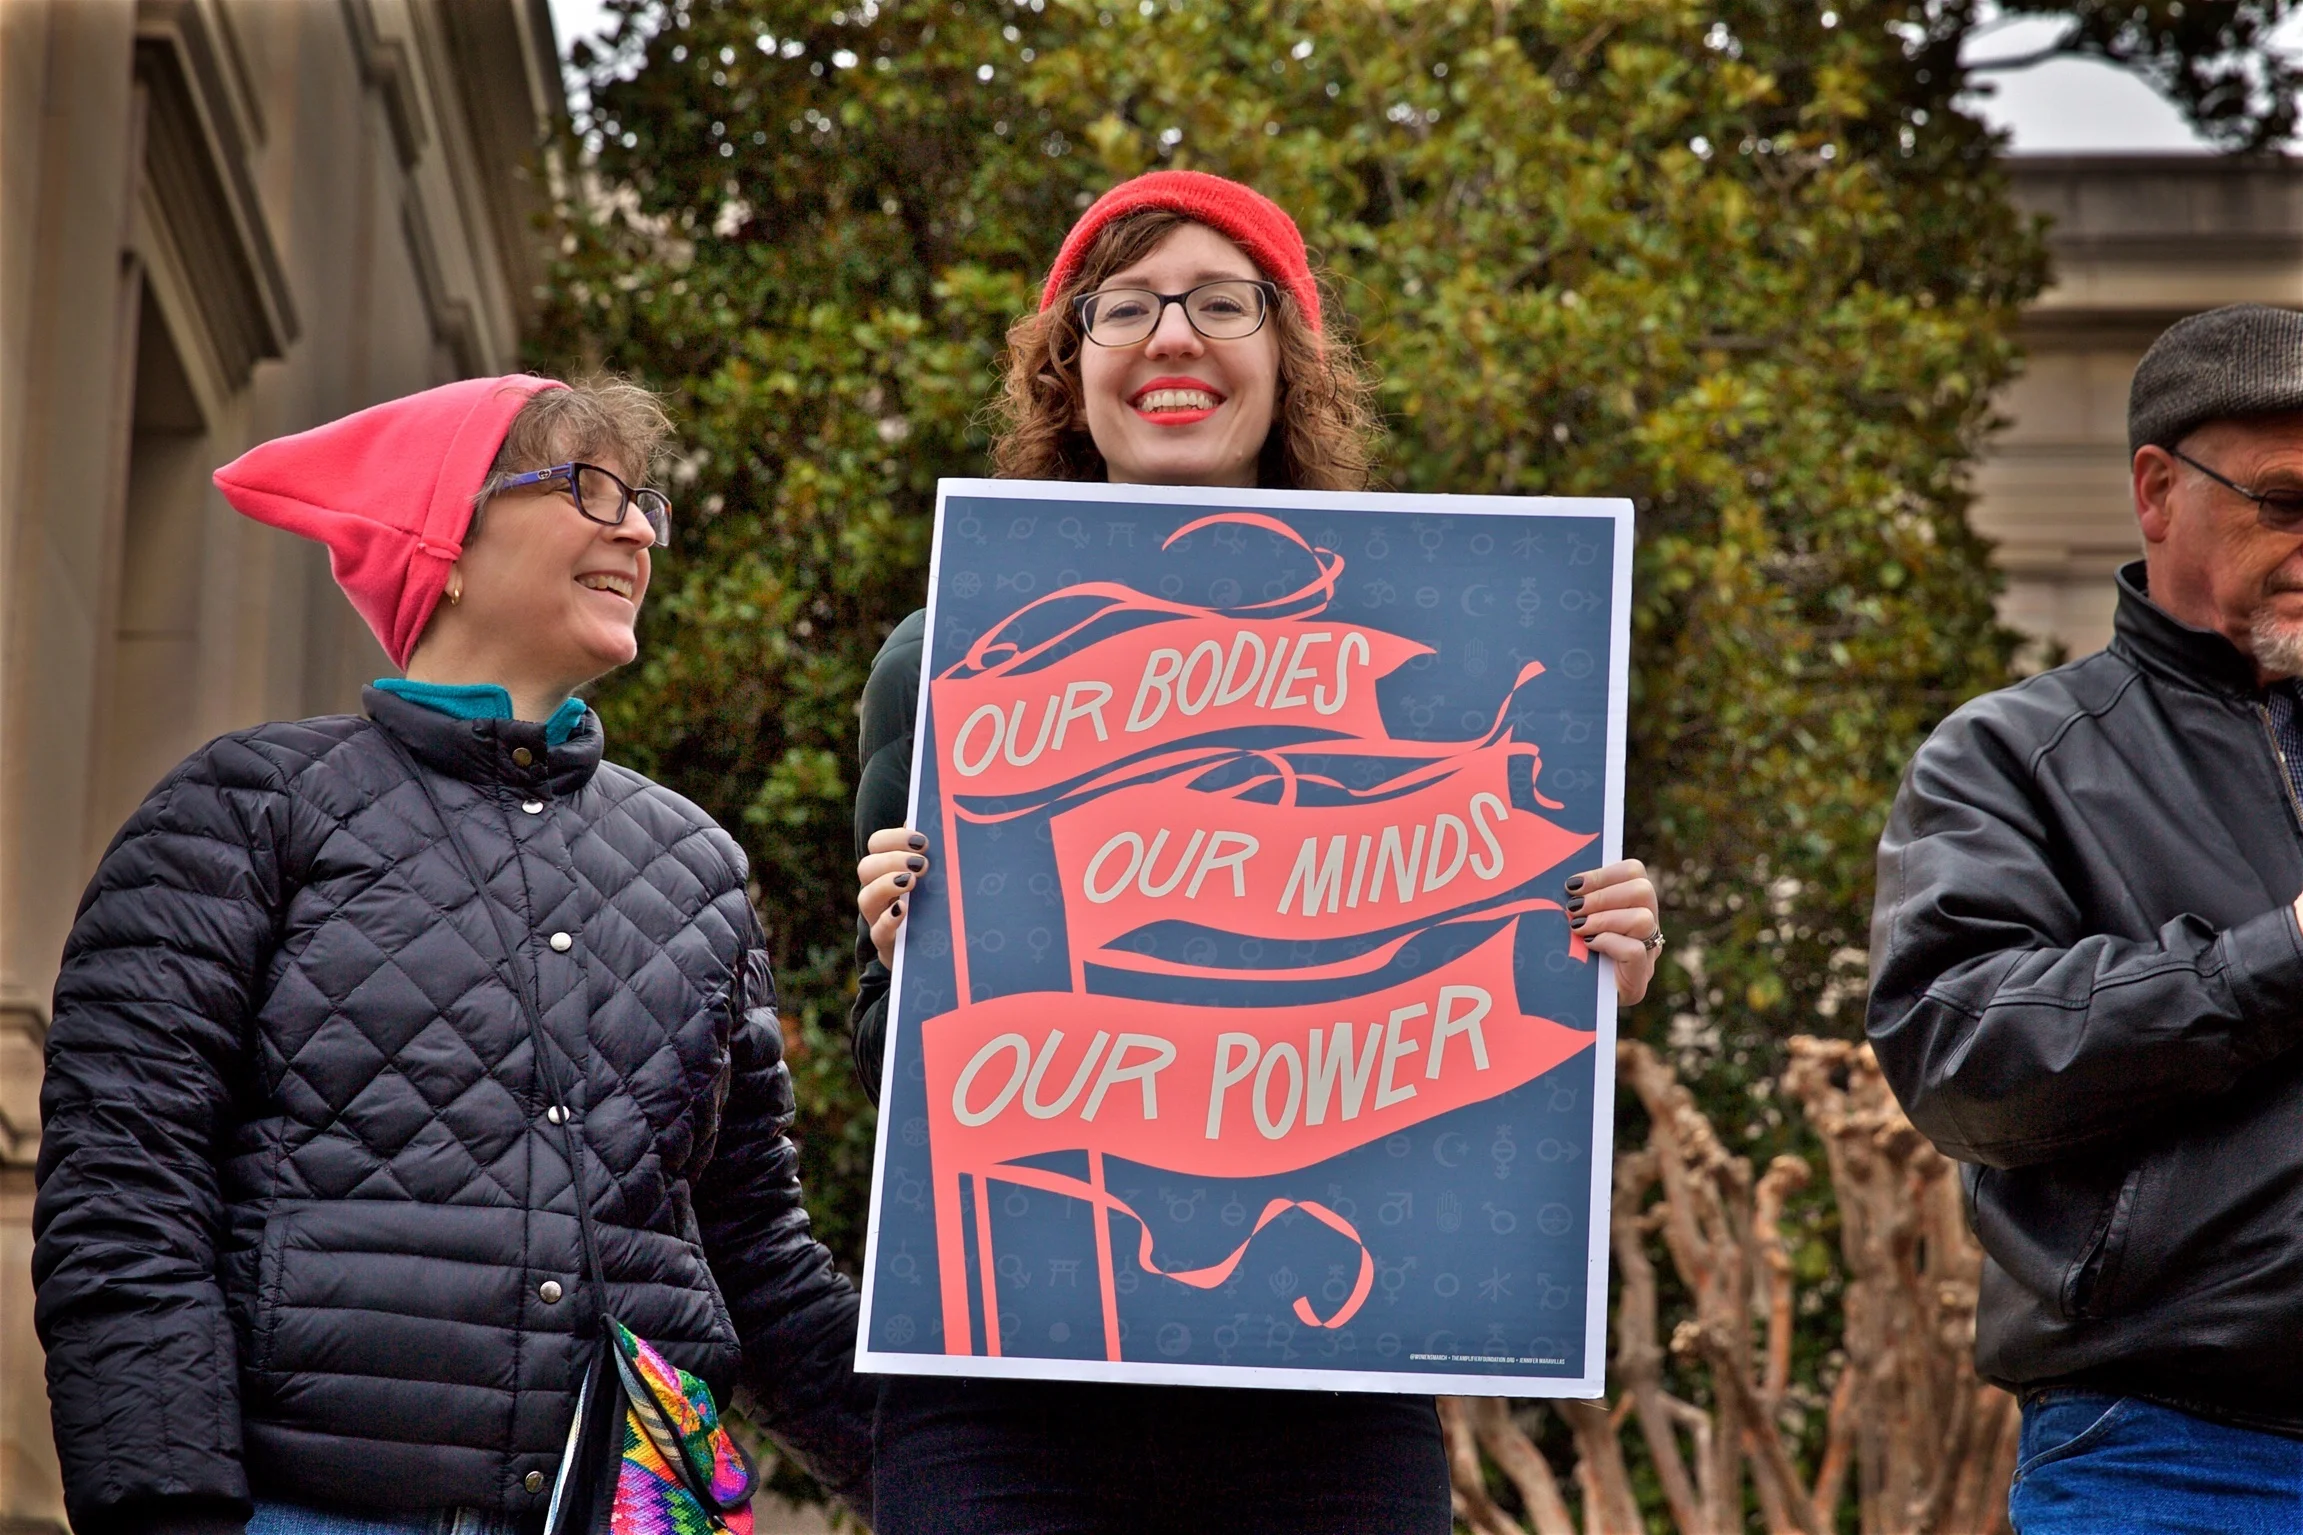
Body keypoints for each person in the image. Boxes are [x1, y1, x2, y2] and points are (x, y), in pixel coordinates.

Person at [846, 170, 1664, 1534]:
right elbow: (890, 1080)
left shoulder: (1457, 655)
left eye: (1221, 304)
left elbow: (1496, 1111)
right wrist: (910, 961)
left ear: (1286, 360)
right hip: (1009, 1393)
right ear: (1068, 369)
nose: (1172, 336)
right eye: (1124, 306)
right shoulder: (944, 659)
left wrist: (1586, 964)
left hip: (1327, 1397)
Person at [33, 376, 871, 1535]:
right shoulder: (241, 809)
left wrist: (974, 1472)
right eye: (588, 488)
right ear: (447, 542)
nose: (636, 530)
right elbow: (125, 1187)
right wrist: (166, 1507)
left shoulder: (698, 868)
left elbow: (758, 1260)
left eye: (642, 502)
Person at [1868, 302, 2303, 1534]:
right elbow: (1961, 1053)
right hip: (2173, 1453)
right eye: (2283, 500)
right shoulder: (2008, 759)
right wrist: (2280, 954)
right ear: (2156, 491)